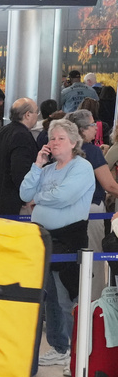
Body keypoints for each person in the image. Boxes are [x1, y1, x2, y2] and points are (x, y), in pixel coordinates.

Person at [20, 119, 95, 368]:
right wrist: (37, 165)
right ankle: (59, 346)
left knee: (66, 298)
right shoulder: (48, 169)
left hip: (69, 239)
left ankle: (77, 351)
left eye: (60, 138)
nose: (54, 142)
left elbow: (64, 197)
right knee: (50, 298)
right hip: (43, 238)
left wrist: (39, 200)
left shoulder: (82, 167)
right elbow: (24, 194)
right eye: (52, 138)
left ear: (74, 142)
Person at [67, 109, 118, 298]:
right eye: (91, 125)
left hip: (65, 211)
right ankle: (92, 307)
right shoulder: (92, 151)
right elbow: (110, 185)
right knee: (93, 259)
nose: (95, 129)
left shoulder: (64, 149)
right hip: (91, 209)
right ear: (81, 129)